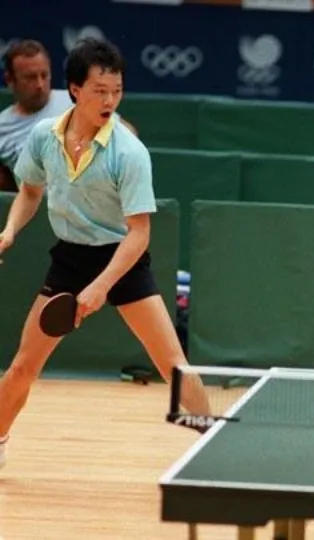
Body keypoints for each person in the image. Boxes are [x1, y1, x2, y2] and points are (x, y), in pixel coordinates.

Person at [0, 37, 210, 469]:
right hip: (70, 259)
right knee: (22, 366)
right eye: (100, 91)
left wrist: (100, 287)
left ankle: (215, 448)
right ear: (75, 90)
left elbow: (139, 234)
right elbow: (30, 192)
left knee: (174, 366)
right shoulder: (44, 137)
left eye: (117, 90)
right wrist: (9, 230)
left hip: (121, 259)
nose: (110, 100)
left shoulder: (129, 152)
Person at [0, 40, 138, 193]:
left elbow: (129, 133)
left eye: (44, 75)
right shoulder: (3, 127)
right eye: (30, 78)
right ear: (10, 80)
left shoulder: (77, 100)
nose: (39, 84)